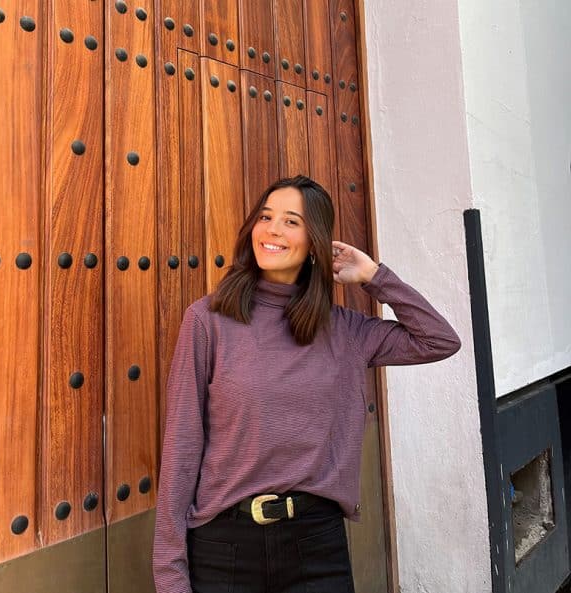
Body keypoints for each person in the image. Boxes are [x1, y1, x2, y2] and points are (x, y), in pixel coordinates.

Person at [153, 175, 461, 593]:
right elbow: (182, 445)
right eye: (266, 217)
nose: (273, 230)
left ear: (314, 242)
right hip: (225, 545)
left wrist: (374, 276)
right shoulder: (208, 321)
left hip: (316, 545)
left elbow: (439, 340)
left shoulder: (347, 332)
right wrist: (170, 575)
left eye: (291, 221)